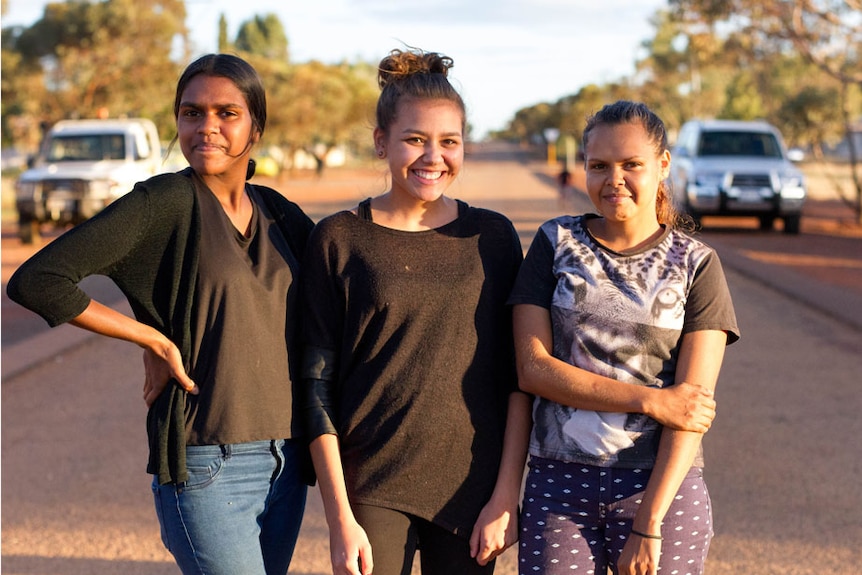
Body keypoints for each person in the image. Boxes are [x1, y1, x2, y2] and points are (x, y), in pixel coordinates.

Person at [6, 54, 315, 575]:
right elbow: (38, 280)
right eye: (191, 113)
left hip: (284, 461)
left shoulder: (277, 211)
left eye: (226, 113)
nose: (206, 127)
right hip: (207, 463)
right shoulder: (164, 202)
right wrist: (149, 338)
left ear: (256, 126)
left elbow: (345, 289)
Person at [298, 47, 532, 575]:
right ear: (382, 142)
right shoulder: (338, 238)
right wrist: (339, 517)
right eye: (415, 140)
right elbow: (316, 385)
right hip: (373, 484)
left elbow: (515, 380)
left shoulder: (491, 237)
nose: (433, 157)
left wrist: (505, 494)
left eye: (449, 142)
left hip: (471, 487)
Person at [509, 100, 739, 575]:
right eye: (599, 166)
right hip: (558, 481)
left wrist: (649, 522)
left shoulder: (697, 264)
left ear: (662, 166)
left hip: (661, 492)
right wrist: (650, 401)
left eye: (631, 164)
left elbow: (691, 407)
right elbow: (533, 369)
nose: (614, 179)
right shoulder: (555, 242)